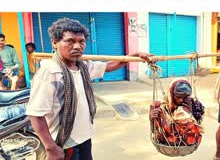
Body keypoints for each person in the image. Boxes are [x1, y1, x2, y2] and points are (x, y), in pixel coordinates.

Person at [25, 18, 153, 160]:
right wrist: (51, 147)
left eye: (81, 41)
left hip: (84, 136)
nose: (77, 46)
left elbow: (109, 66)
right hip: (64, 142)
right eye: (70, 41)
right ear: (55, 43)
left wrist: (134, 56)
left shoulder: (83, 66)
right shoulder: (50, 72)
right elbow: (35, 113)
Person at [149, 78, 204, 147]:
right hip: (167, 138)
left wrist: (191, 111)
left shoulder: (192, 103)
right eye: (178, 97)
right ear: (171, 94)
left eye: (184, 97)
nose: (181, 100)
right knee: (156, 107)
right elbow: (155, 129)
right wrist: (152, 118)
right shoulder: (162, 106)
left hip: (187, 140)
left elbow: (198, 122)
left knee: (183, 111)